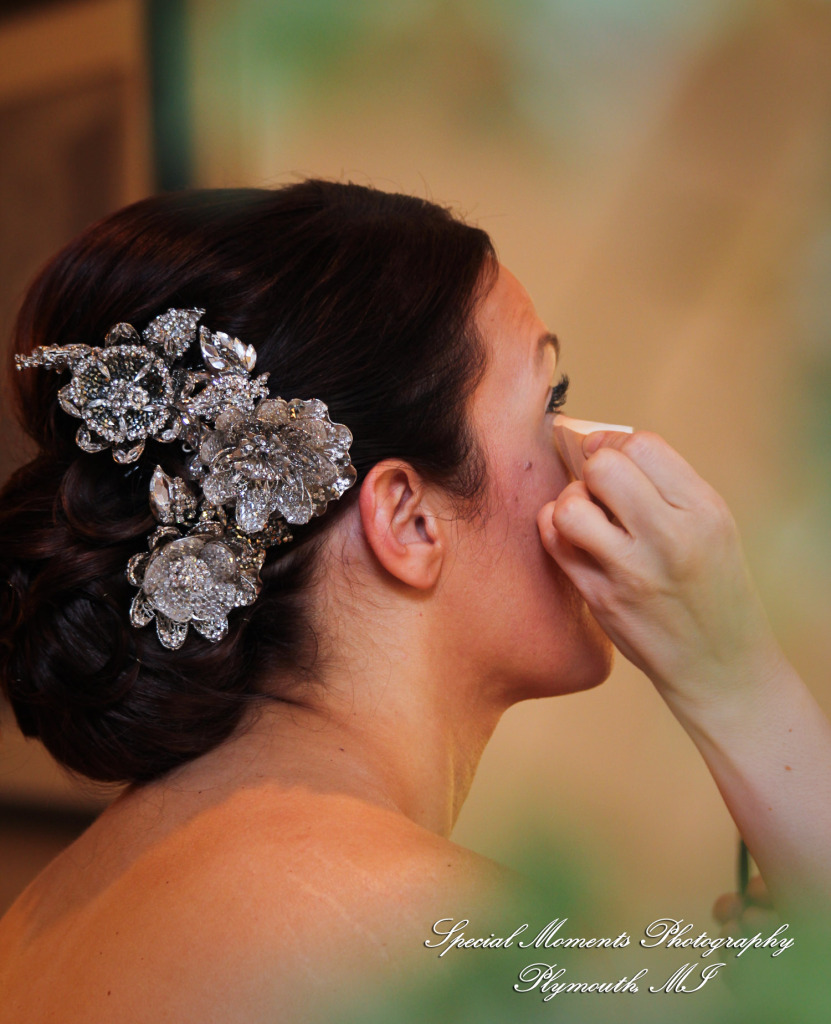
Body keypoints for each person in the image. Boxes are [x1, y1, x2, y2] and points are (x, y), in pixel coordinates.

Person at [0, 180, 828, 1022]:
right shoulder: (447, 952)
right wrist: (734, 682)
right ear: (409, 519)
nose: (590, 452)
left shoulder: (43, 909)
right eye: (551, 403)